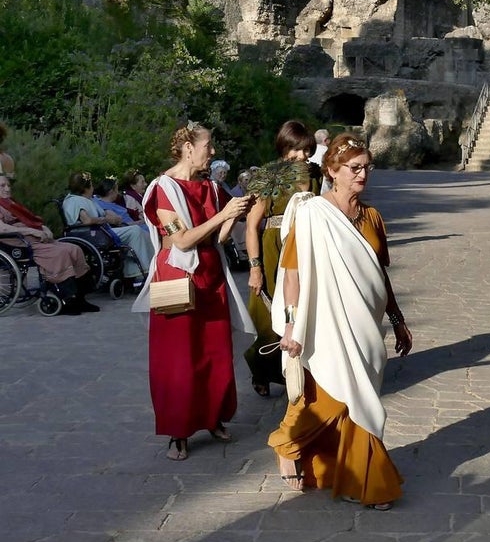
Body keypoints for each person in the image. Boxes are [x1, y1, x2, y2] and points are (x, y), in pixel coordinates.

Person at [268, 133, 413, 511]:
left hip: (367, 327)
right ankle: (363, 479)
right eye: (354, 168)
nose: (363, 174)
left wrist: (397, 319)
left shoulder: (372, 217)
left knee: (356, 399)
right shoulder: (312, 214)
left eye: (367, 167)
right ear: (332, 171)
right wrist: (291, 325)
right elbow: (293, 273)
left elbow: (380, 275)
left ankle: (343, 474)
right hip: (326, 326)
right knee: (338, 401)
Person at [131, 122, 255, 461]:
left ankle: (213, 417)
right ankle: (179, 432)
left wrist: (240, 210)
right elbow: (182, 240)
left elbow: (221, 236)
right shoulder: (163, 189)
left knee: (215, 351)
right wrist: (223, 215)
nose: (212, 152)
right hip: (175, 275)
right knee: (178, 358)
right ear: (188, 148)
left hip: (211, 275)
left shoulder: (211, 188)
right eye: (207, 145)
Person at [244, 121, 323, 398]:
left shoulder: (315, 174)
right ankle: (261, 369)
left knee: (301, 309)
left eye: (307, 150)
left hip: (304, 245)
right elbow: (251, 226)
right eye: (296, 149)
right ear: (283, 147)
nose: (302, 156)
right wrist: (255, 268)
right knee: (267, 318)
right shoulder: (268, 176)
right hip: (273, 248)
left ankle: (298, 370)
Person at [0, 174, 98, 315]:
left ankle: (80, 298)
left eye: (8, 185)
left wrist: (44, 229)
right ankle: (66, 300)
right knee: (60, 254)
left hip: (33, 239)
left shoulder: (11, 204)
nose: (7, 189)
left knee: (74, 249)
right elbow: (2, 229)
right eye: (2, 186)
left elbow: (31, 220)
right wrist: (32, 231)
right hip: (19, 243)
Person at [62, 172, 155, 282]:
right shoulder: (75, 201)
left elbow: (101, 212)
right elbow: (87, 220)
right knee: (135, 231)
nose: (93, 188)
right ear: (86, 188)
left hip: (99, 231)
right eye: (91, 185)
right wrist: (106, 219)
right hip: (93, 234)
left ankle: (145, 267)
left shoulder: (85, 199)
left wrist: (110, 216)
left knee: (139, 231)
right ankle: (138, 272)